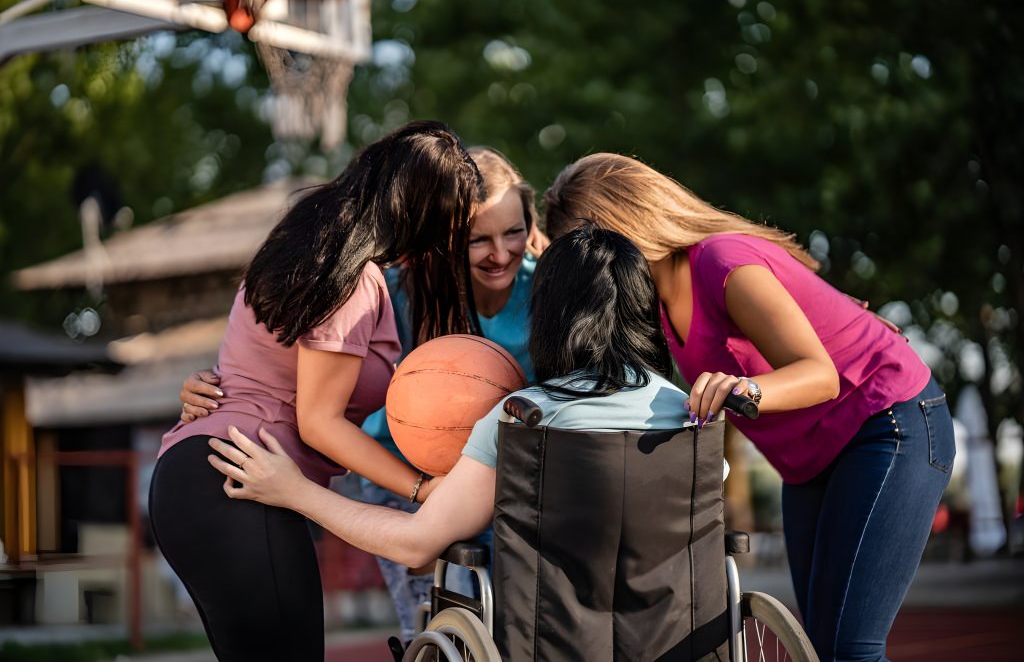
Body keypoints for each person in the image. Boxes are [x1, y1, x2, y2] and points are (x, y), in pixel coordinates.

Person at [542, 153, 955, 662]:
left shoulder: (721, 262)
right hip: (810, 462)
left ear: (625, 227)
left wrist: (747, 389)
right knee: (819, 647)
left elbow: (820, 375)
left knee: (851, 648)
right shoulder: (660, 303)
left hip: (887, 423)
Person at [178, 146, 548, 643]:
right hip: (401, 470)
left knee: (520, 628)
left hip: (504, 480)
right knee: (437, 626)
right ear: (447, 237)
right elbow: (290, 347)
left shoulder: (549, 293)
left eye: (513, 232)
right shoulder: (394, 286)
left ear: (532, 223)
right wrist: (218, 382)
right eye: (479, 239)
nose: (500, 253)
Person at [203, 225, 689, 586]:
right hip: (673, 631)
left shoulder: (524, 418)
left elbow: (415, 544)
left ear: (553, 317)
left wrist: (294, 491)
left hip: (558, 633)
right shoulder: (685, 412)